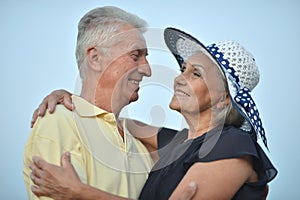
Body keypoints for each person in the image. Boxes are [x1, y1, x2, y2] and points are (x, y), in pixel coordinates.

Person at [30, 27, 277, 199]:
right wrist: (70, 98)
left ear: (224, 100)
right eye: (183, 68)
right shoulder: (176, 143)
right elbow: (111, 119)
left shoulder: (233, 144)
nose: (180, 79)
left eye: (196, 74)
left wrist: (79, 193)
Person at [24, 6, 155, 200]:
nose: (147, 70)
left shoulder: (141, 148)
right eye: (135, 56)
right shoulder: (58, 122)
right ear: (95, 58)